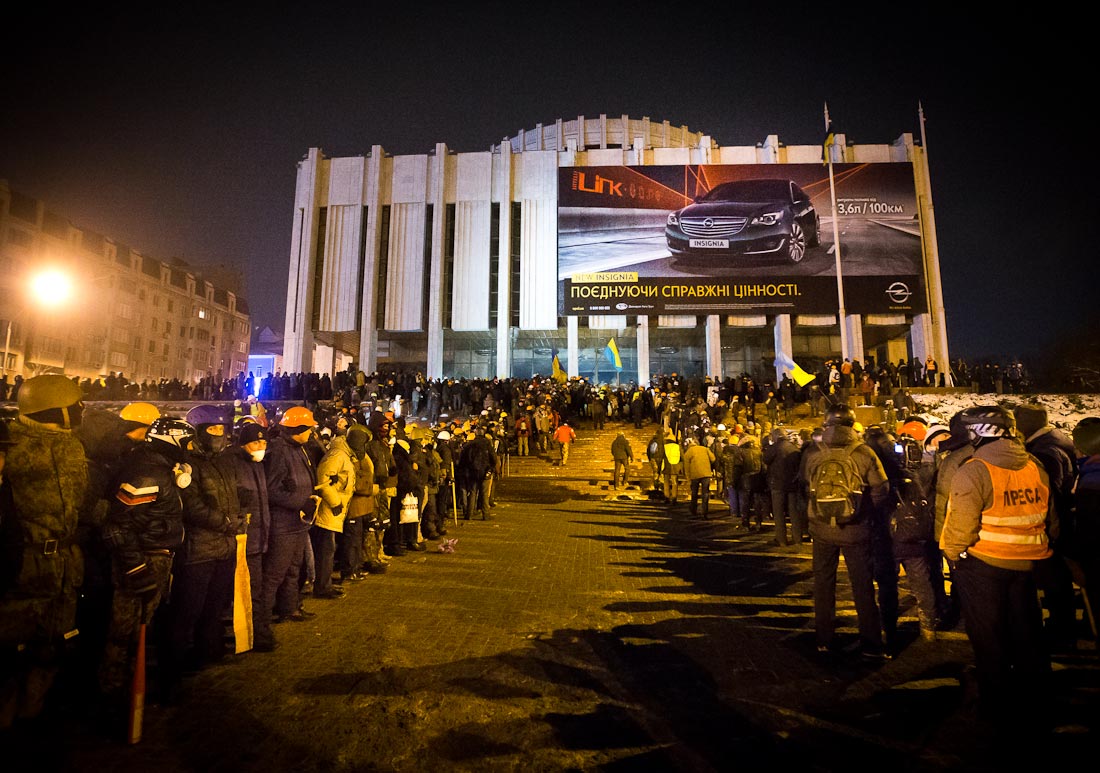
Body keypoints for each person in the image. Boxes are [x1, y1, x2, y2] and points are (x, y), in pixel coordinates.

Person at [940, 405, 1056, 725]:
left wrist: (952, 553)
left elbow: (961, 526)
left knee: (989, 638)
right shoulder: (1034, 465)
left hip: (984, 563)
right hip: (1027, 563)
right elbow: (1051, 518)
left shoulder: (974, 469)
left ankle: (997, 707)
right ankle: (1038, 700)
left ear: (977, 433)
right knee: (1027, 633)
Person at [0, 375, 88, 729]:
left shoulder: (73, 445)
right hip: (23, 565)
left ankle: (32, 716)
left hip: (64, 565)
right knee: (9, 648)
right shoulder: (10, 446)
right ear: (56, 409)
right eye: (75, 405)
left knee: (53, 646)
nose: (80, 410)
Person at [98, 416, 196, 735]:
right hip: (143, 560)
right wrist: (136, 567)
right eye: (186, 442)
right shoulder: (148, 474)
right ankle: (112, 703)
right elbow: (117, 527)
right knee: (124, 635)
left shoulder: (161, 469)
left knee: (138, 633)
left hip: (156, 557)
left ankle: (128, 699)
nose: (189, 449)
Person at [162, 404, 246, 699]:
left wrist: (240, 513)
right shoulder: (187, 464)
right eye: (212, 429)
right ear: (198, 432)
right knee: (187, 612)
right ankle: (171, 674)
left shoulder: (223, 462)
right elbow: (191, 505)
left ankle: (205, 655)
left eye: (222, 429)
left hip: (224, 546)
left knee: (213, 607)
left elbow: (232, 496)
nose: (219, 434)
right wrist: (224, 522)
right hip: (198, 550)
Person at [800, 403, 891, 658]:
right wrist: (861, 511)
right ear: (852, 424)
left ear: (826, 424)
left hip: (821, 529)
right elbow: (881, 489)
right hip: (856, 530)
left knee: (823, 584)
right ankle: (871, 643)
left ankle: (824, 639)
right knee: (862, 585)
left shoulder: (813, 452)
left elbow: (805, 486)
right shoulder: (864, 452)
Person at [1015, 403, 1080, 650]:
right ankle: (1063, 626)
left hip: (1054, 524)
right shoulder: (1055, 441)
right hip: (1062, 520)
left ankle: (1062, 631)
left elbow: (1048, 491)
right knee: (1058, 580)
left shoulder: (1045, 451)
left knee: (1055, 580)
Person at [262, 406, 320, 625]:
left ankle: (290, 607)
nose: (311, 433)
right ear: (298, 428)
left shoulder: (299, 449)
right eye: (308, 429)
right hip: (283, 524)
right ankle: (261, 622)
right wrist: (299, 502)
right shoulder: (279, 451)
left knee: (294, 569)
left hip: (298, 522)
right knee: (275, 573)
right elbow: (272, 489)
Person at [224, 420, 275, 651]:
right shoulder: (233, 463)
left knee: (256, 588)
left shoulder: (258, 465)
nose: (261, 447)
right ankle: (252, 635)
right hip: (243, 537)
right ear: (244, 444)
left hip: (259, 536)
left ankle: (254, 633)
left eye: (264, 443)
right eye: (256, 443)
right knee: (249, 590)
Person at [311, 420, 356, 597]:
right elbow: (323, 478)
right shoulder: (338, 455)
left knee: (329, 549)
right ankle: (322, 586)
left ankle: (325, 583)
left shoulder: (344, 454)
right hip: (329, 509)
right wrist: (335, 502)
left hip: (335, 510)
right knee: (325, 550)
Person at [343, 424, 378, 577]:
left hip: (362, 506)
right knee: (352, 540)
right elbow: (354, 482)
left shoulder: (360, 456)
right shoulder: (352, 458)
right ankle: (350, 570)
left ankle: (356, 567)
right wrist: (370, 488)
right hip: (354, 507)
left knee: (357, 539)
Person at [763, 428, 801, 546]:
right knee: (794, 512)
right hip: (793, 484)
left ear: (775, 436)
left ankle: (781, 539)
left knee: (778, 512)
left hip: (778, 484)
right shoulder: (794, 448)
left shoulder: (774, 448)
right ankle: (797, 538)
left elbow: (766, 459)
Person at [682, 437, 716, 518]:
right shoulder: (705, 449)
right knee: (705, 493)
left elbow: (686, 466)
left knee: (694, 493)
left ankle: (693, 510)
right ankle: (705, 511)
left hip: (695, 474)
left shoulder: (689, 452)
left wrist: (688, 477)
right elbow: (713, 458)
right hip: (706, 473)